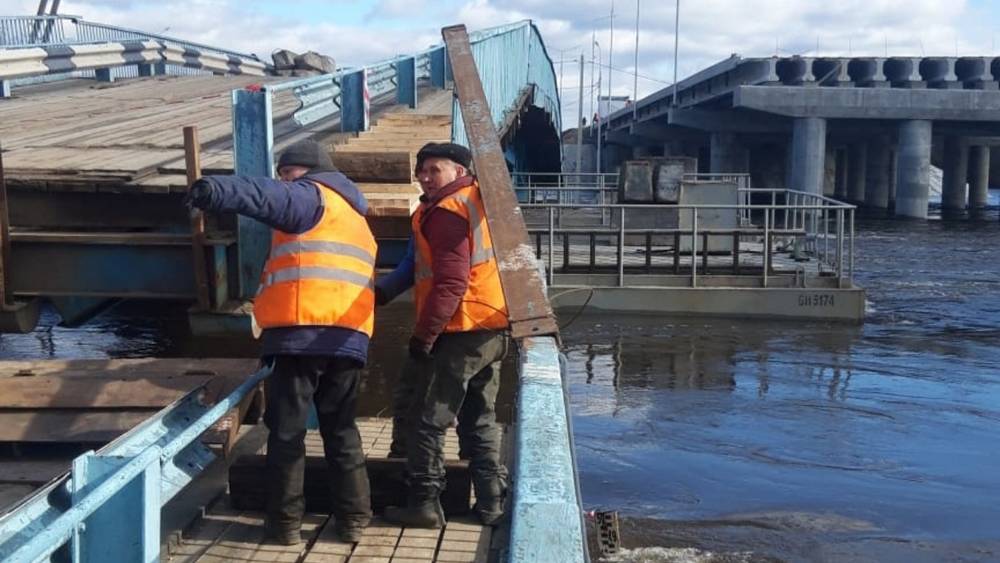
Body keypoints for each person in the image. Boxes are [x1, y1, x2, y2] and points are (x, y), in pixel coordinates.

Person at [185, 139, 375, 545]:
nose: (282, 181)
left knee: (287, 434)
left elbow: (264, 197)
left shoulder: (311, 197)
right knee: (341, 432)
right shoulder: (357, 215)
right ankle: (355, 520)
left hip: (300, 336)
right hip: (348, 339)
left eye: (286, 173)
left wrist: (215, 191)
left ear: (303, 172)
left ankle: (285, 525)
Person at [375, 142, 510, 528]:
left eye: (435, 169)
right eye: (422, 169)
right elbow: (415, 265)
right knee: (479, 417)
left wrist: (424, 336)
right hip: (491, 327)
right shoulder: (472, 201)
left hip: (458, 328)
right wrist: (380, 293)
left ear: (459, 171)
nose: (425, 176)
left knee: (428, 419)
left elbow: (450, 283)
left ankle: (424, 505)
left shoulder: (447, 212)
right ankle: (490, 504)